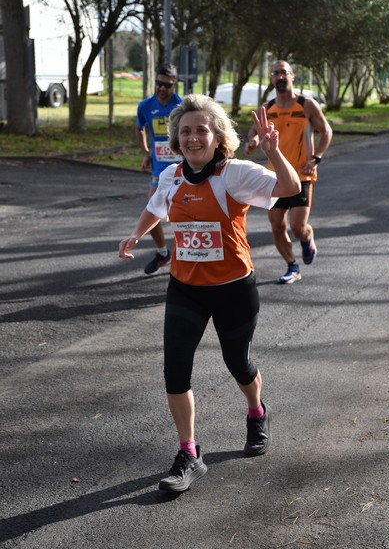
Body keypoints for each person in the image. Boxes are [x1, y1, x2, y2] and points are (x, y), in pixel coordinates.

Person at [119, 94, 301, 492]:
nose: (193, 137)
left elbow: (289, 188)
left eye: (202, 129)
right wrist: (138, 232)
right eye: (185, 131)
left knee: (239, 363)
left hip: (234, 289)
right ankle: (189, 452)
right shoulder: (171, 176)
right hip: (185, 289)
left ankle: (256, 411)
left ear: (218, 137)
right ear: (176, 139)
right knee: (175, 370)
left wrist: (273, 150)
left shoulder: (235, 174)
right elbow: (156, 207)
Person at [244, 60, 333, 284]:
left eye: (283, 72)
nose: (279, 76)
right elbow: (254, 131)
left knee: (297, 227)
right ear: (272, 79)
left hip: (302, 174)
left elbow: (326, 131)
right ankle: (292, 266)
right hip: (274, 177)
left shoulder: (306, 105)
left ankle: (307, 236)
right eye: (275, 73)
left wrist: (316, 158)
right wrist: (252, 141)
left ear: (292, 76)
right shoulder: (268, 107)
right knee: (276, 225)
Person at [135, 62, 183, 275]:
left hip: (182, 167)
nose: (162, 89)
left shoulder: (181, 106)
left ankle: (190, 257)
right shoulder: (145, 105)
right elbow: (139, 127)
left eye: (168, 85)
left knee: (187, 212)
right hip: (158, 170)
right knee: (152, 208)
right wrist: (146, 152)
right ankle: (163, 253)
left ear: (175, 86)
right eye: (159, 84)